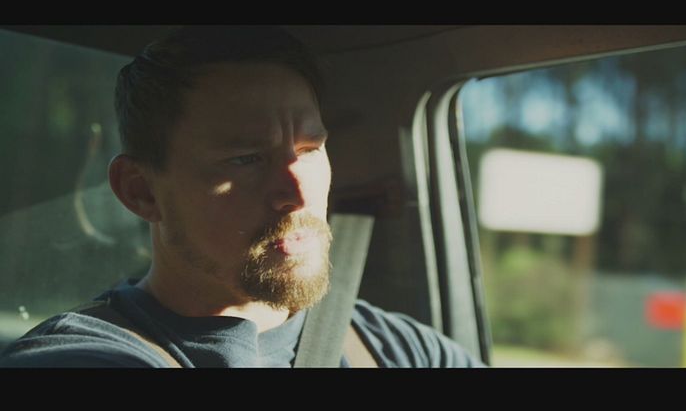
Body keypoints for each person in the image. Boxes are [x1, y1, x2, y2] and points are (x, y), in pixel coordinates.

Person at [0, 26, 485, 368]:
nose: (297, 193)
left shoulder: (400, 349)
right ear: (141, 191)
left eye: (309, 149)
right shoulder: (83, 358)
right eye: (246, 159)